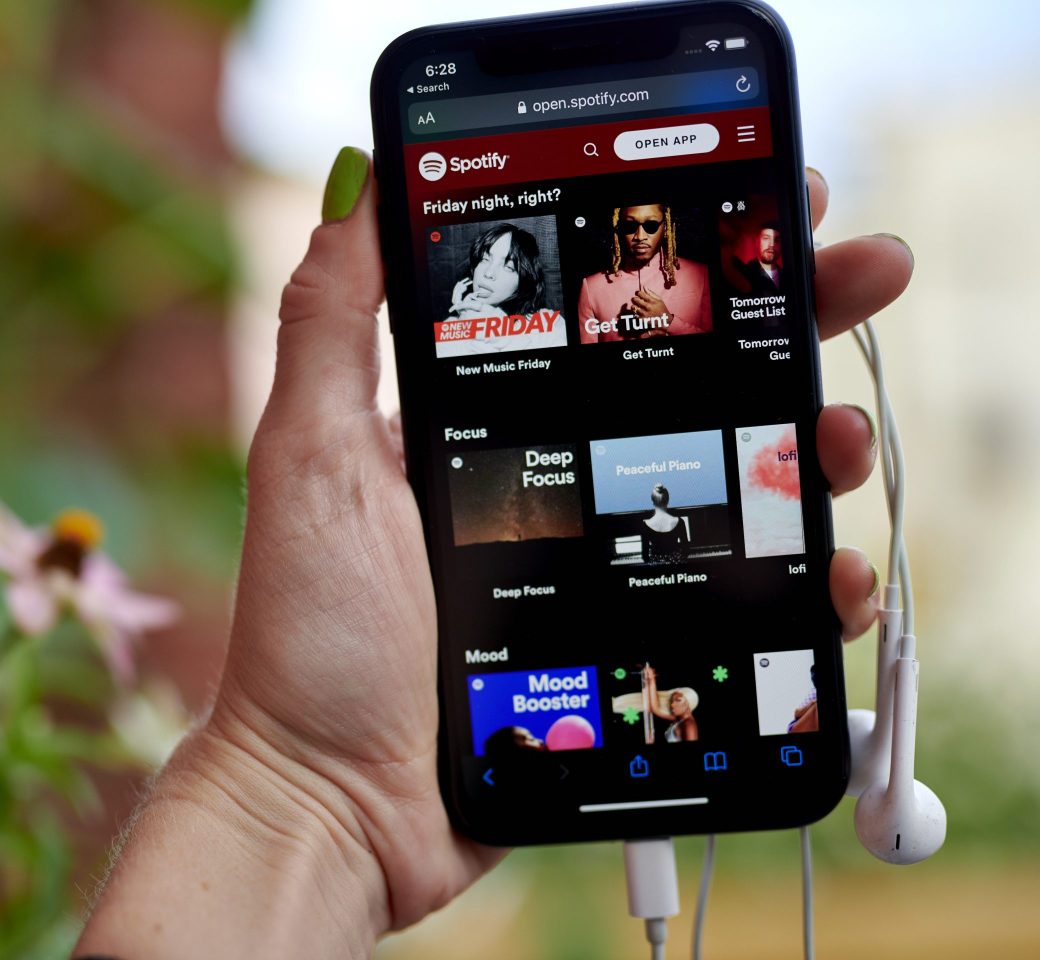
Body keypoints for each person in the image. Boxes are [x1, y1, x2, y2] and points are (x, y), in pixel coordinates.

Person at [72, 147, 911, 960]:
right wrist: (314, 783)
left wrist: (313, 799)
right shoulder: (569, 297)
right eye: (488, 254)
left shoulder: (700, 285)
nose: (642, 236)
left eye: (512, 259)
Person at [576, 203, 712, 343]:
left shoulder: (700, 275)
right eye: (629, 225)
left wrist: (669, 323)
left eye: (651, 225)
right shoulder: (591, 288)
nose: (640, 236)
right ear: (619, 228)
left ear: (665, 227)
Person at [438, 222, 565, 356]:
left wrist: (504, 335)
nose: (488, 273)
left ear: (524, 281)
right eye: (485, 259)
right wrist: (465, 321)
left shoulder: (548, 323)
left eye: (508, 267)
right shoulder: (450, 329)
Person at [643, 665, 700, 743]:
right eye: (672, 701)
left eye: (678, 700)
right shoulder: (679, 719)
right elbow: (655, 709)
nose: (672, 705)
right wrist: (652, 680)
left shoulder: (689, 725)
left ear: (688, 704)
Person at [641, 483, 690, 564]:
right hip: (675, 565)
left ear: (653, 502)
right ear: (667, 500)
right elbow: (686, 550)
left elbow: (645, 556)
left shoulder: (645, 525)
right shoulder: (679, 521)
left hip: (655, 567)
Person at [737, 220, 784, 293]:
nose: (772, 244)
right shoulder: (742, 274)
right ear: (757, 241)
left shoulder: (789, 276)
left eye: (777, 240)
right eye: (766, 238)